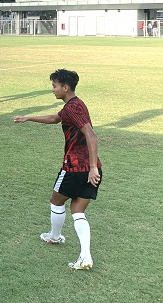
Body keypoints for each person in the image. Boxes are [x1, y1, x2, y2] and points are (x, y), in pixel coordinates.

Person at [13, 69, 102, 271]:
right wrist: (28, 117)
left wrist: (92, 167)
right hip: (90, 169)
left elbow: (92, 135)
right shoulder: (75, 105)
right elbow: (55, 118)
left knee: (56, 200)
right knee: (78, 211)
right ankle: (85, 256)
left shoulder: (73, 108)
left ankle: (54, 237)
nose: (52, 90)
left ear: (65, 87)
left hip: (75, 167)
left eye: (54, 86)